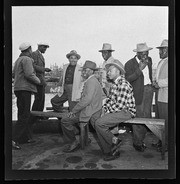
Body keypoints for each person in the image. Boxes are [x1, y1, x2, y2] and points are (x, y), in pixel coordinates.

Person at [94, 59, 136, 161]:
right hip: (118, 111)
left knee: (99, 123)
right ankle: (109, 150)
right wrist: (105, 109)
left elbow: (120, 106)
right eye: (108, 71)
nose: (108, 73)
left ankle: (115, 140)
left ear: (118, 71)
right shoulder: (114, 85)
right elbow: (109, 100)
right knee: (94, 120)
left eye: (110, 71)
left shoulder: (123, 84)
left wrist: (107, 112)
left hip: (126, 112)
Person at [61, 60, 103, 153]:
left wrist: (74, 111)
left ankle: (73, 142)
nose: (84, 72)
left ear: (92, 71)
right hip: (92, 109)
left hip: (89, 111)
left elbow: (87, 100)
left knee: (65, 120)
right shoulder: (93, 80)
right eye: (84, 70)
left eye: (86, 70)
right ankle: (84, 139)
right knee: (72, 119)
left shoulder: (91, 81)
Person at [124, 42, 154, 152]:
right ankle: (137, 143)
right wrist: (139, 69)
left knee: (147, 116)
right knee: (138, 118)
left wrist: (152, 85)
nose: (145, 56)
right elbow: (127, 79)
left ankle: (142, 140)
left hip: (149, 91)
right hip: (137, 93)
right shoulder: (129, 64)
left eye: (147, 53)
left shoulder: (149, 60)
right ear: (137, 53)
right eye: (143, 54)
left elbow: (149, 75)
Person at [12, 42, 41, 150]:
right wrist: (38, 81)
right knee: (25, 115)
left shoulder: (18, 60)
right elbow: (29, 74)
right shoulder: (27, 59)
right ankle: (14, 139)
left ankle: (22, 138)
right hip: (25, 90)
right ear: (29, 49)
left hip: (18, 89)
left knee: (21, 114)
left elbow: (13, 72)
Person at [152, 39, 168, 152]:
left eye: (162, 50)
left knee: (165, 121)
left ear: (167, 50)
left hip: (166, 97)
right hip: (159, 96)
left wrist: (158, 84)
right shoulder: (161, 62)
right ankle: (161, 141)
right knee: (159, 120)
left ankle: (166, 145)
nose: (160, 52)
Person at [31, 42, 51, 113]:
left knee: (41, 99)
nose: (45, 49)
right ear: (39, 46)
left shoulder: (40, 55)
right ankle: (35, 115)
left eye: (46, 47)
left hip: (41, 80)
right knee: (39, 98)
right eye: (44, 47)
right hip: (37, 80)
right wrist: (44, 69)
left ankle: (39, 115)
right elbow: (33, 66)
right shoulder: (34, 54)